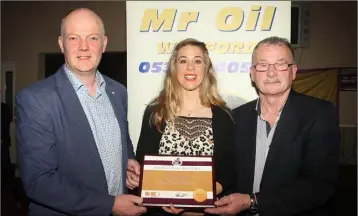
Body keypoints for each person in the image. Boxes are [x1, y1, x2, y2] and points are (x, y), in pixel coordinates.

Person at [15, 8, 146, 216]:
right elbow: (38, 181)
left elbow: (122, 140)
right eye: (74, 38)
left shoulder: (118, 92)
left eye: (92, 38)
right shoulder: (35, 99)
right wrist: (109, 205)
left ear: (103, 44)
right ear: (61, 44)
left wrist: (126, 161)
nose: (84, 47)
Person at [204, 36, 340, 216]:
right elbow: (227, 174)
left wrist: (252, 202)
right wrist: (194, 202)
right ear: (252, 73)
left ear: (293, 71)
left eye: (280, 64)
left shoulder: (320, 114)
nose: (271, 73)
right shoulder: (236, 117)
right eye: (263, 65)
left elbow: (319, 185)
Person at [127, 38, 237, 215]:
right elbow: (144, 162)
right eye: (183, 61)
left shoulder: (223, 116)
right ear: (174, 68)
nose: (190, 68)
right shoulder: (155, 112)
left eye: (197, 61)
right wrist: (136, 178)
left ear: (206, 69)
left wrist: (190, 199)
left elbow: (228, 172)